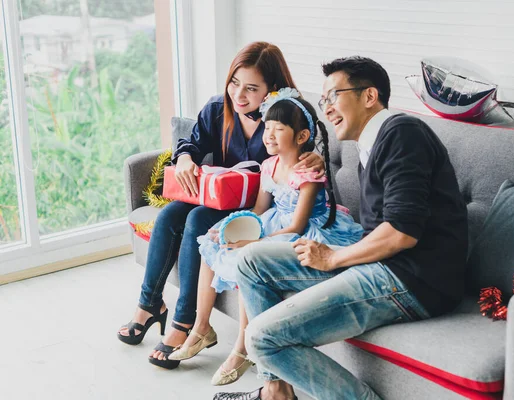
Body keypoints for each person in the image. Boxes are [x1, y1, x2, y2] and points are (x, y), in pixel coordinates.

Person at [214, 57, 469, 400]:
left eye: (333, 97)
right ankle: (276, 392)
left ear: (369, 96)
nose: (328, 109)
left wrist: (334, 258)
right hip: (382, 265)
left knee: (261, 337)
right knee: (251, 261)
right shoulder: (371, 143)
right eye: (323, 102)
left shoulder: (402, 133)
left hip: (413, 278)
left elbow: (401, 232)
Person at [116, 42, 325, 370]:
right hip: (224, 198)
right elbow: (192, 142)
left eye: (252, 88)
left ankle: (186, 325)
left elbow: (314, 145)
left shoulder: (288, 114)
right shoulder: (218, 109)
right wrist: (184, 158)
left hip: (261, 210)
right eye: (234, 83)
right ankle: (150, 305)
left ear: (273, 88)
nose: (239, 95)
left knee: (198, 218)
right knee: (171, 213)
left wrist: (315, 155)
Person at [168, 88, 364, 386]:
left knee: (252, 261)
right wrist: (229, 228)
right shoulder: (269, 165)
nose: (269, 135)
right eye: (267, 128)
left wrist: (253, 243)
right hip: (274, 223)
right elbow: (260, 211)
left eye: (278, 129)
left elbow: (298, 227)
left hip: (308, 229)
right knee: (212, 241)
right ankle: (201, 327)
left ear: (300, 137)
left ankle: (242, 347)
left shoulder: (308, 175)